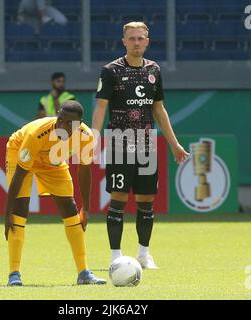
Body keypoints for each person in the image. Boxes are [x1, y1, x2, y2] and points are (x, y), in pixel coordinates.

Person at [92, 22, 190, 269]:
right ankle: (116, 257)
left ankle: (144, 255)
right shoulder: (111, 71)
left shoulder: (154, 70)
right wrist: (94, 138)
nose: (136, 43)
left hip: (147, 143)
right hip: (119, 141)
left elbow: (159, 109)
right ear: (123, 41)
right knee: (119, 199)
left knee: (146, 201)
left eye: (140, 38)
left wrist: (174, 144)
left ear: (147, 41)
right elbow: (101, 107)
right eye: (132, 38)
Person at [4, 100, 106, 286]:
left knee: (70, 208)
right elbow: (19, 175)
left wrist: (87, 208)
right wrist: (7, 212)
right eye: (60, 119)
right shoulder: (38, 133)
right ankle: (14, 275)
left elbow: (84, 171)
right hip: (19, 150)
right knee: (19, 208)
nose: (62, 125)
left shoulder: (86, 136)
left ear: (78, 124)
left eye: (69, 123)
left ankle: (84, 273)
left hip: (52, 161)